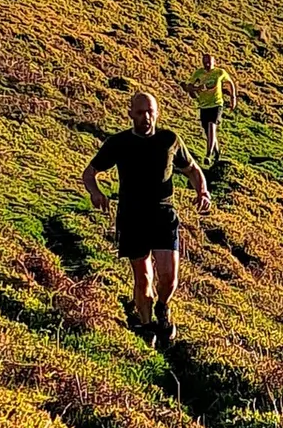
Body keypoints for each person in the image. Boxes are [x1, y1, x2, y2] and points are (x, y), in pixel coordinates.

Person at [82, 91, 210, 342]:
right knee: (143, 278)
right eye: (140, 112)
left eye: (150, 111)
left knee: (169, 278)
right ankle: (146, 325)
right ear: (130, 114)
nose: (145, 117)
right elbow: (89, 173)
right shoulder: (119, 143)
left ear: (157, 113)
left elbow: (192, 169)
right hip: (132, 216)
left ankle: (162, 307)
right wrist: (96, 193)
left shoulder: (169, 140)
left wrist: (203, 191)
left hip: (163, 214)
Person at [185, 51, 238, 164]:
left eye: (209, 62)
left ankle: (208, 155)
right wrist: (196, 89)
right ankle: (217, 153)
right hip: (204, 105)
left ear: (214, 62)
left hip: (217, 104)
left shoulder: (219, 72)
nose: (207, 65)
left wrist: (233, 97)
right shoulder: (198, 73)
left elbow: (230, 83)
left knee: (211, 126)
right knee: (208, 132)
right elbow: (189, 86)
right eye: (205, 63)